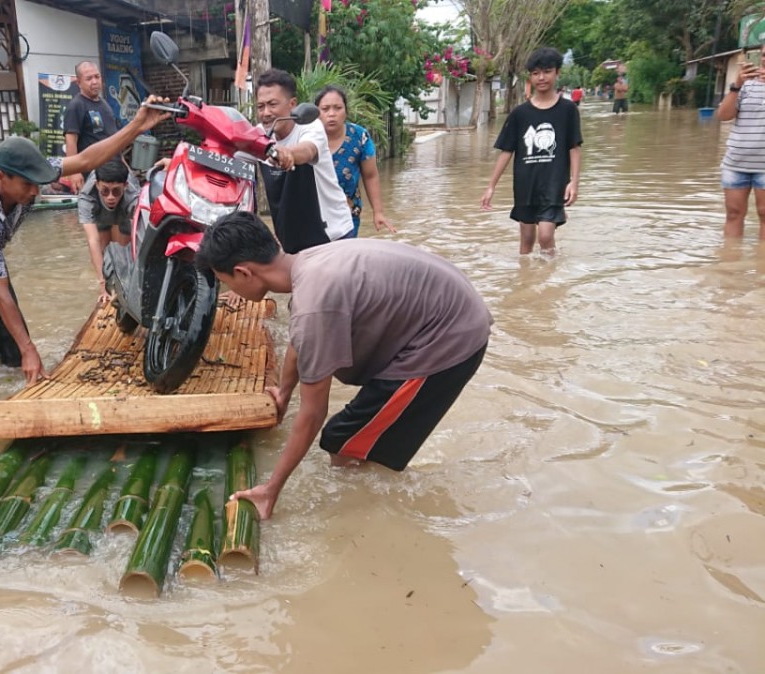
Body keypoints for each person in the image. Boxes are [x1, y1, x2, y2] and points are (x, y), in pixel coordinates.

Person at [196, 211, 492, 520]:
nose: (229, 293)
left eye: (223, 281)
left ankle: (371, 519)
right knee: (354, 438)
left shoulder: (313, 303)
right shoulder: (308, 264)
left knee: (344, 444)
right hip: (448, 318)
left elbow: (312, 415)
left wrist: (271, 489)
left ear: (244, 273)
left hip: (449, 341)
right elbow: (300, 342)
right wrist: (284, 393)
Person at [0, 98, 168, 385]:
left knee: (7, 337)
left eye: (38, 182)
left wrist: (137, 125)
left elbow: (87, 160)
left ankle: (14, 375)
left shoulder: (28, 171)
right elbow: (0, 294)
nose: (36, 190)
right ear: (1, 178)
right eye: (27, 185)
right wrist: (30, 349)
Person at [481, 47, 583, 256]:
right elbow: (506, 152)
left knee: (545, 236)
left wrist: (574, 182)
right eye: (535, 73)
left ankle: (550, 283)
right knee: (527, 241)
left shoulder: (567, 110)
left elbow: (574, 147)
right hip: (526, 185)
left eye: (546, 71)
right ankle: (526, 279)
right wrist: (491, 186)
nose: (541, 78)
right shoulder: (520, 114)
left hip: (554, 184)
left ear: (557, 73)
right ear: (530, 77)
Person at [255, 68, 355, 253]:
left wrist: (287, 153)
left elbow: (308, 149)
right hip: (293, 242)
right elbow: (234, 148)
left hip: (332, 236)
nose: (266, 113)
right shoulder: (259, 134)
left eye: (272, 104)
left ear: (292, 104)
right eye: (261, 106)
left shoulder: (310, 125)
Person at [314, 85, 396, 238]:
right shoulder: (307, 137)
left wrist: (378, 212)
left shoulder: (359, 136)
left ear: (346, 111)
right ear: (316, 113)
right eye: (325, 109)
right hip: (313, 215)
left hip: (348, 214)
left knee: (345, 259)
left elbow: (370, 175)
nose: (331, 114)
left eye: (337, 108)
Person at [715, 46, 765, 240]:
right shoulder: (745, 84)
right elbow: (723, 116)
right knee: (734, 214)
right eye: (763, 55)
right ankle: (730, 265)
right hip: (736, 163)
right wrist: (737, 84)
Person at [78, 158, 139, 302]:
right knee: (101, 242)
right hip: (99, 211)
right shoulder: (87, 198)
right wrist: (102, 285)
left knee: (125, 246)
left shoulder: (134, 197)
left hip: (125, 209)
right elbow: (93, 240)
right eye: (105, 191)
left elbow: (141, 239)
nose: (110, 197)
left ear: (125, 186)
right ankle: (104, 277)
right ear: (96, 185)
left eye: (116, 191)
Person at [63, 61, 119, 192]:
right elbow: (71, 140)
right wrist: (74, 172)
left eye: (97, 77)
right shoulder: (76, 106)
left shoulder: (104, 104)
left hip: (114, 171)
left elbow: (114, 139)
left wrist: (123, 165)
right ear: (79, 82)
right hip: (93, 175)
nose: (94, 81)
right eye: (89, 78)